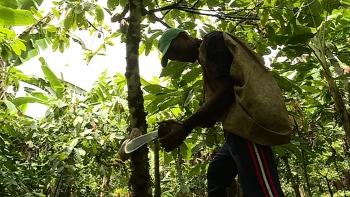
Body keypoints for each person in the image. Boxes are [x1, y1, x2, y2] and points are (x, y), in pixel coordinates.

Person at [157, 28, 292, 197]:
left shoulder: (213, 40)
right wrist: (204, 118)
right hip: (234, 129)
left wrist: (186, 126)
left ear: (185, 36)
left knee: (261, 190)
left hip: (247, 125)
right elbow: (220, 99)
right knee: (217, 174)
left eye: (177, 50)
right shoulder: (205, 59)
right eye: (174, 57)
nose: (180, 57)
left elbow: (226, 91)